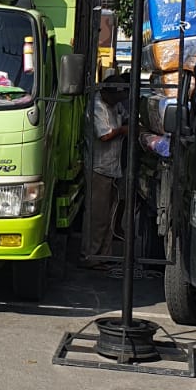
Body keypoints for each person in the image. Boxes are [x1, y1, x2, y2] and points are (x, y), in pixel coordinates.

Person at [90, 76, 128, 256]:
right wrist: (122, 130)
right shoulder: (97, 106)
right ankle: (91, 255)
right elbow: (104, 135)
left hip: (113, 167)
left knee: (109, 217)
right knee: (98, 217)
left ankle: (103, 255)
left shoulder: (115, 105)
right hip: (99, 168)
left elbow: (126, 117)